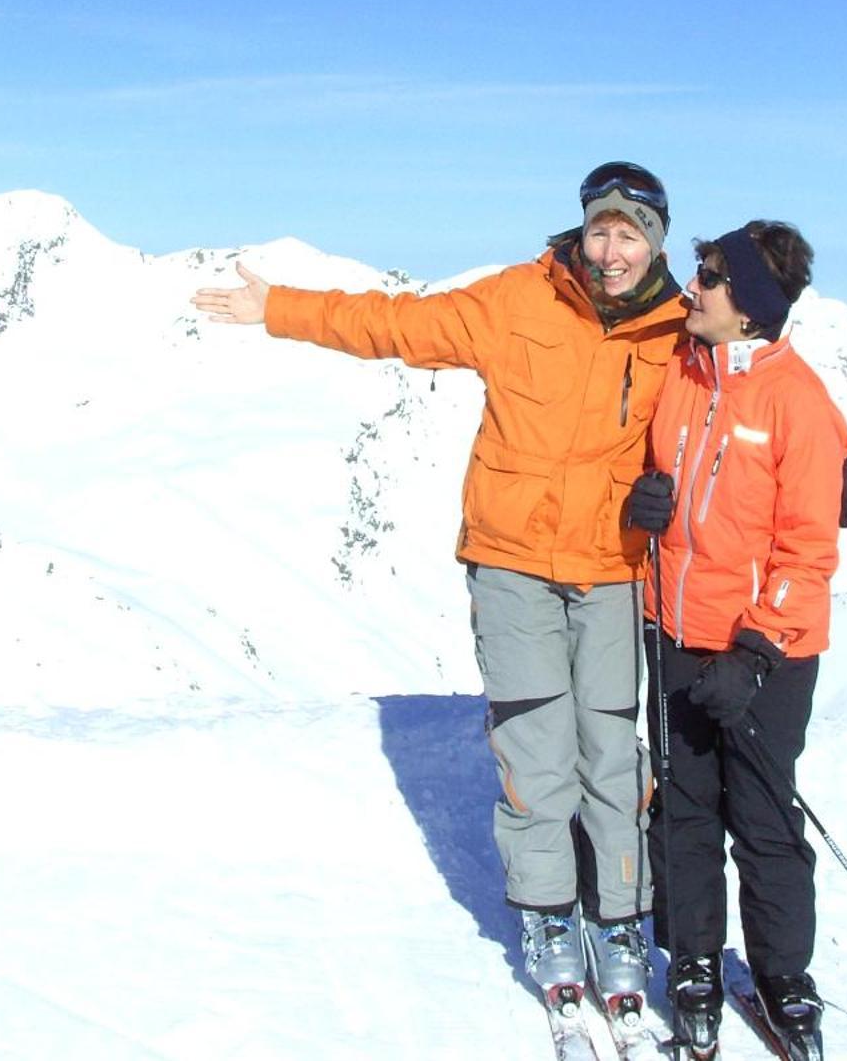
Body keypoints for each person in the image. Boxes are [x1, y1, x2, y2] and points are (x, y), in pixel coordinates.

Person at [191, 163, 686, 1011]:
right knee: (535, 744)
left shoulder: (680, 332)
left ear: (656, 242)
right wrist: (278, 309)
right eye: (602, 231)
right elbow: (396, 326)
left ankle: (621, 916)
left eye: (630, 234)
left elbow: (732, 428)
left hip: (612, 565)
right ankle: (550, 914)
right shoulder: (518, 300)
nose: (612, 251)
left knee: (610, 751)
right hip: (511, 558)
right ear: (582, 231)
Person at [623, 220, 847, 1061]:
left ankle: (784, 978)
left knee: (761, 818)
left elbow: (809, 550)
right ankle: (692, 961)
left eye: (711, 275)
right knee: (684, 808)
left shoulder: (796, 400)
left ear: (748, 309)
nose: (696, 283)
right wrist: (641, 504)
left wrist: (754, 653)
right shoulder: (684, 373)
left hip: (766, 654)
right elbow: (651, 473)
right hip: (676, 630)